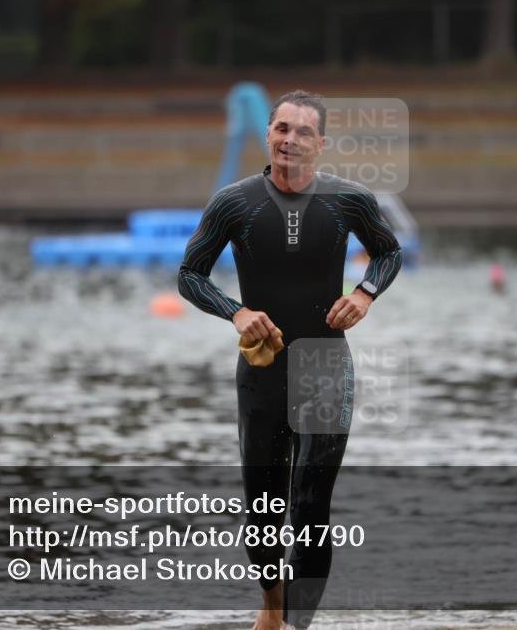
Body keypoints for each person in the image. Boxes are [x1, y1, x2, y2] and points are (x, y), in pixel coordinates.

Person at [178, 90, 402, 629]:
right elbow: (189, 275)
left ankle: (298, 626)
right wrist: (235, 313)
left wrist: (365, 293)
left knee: (311, 506)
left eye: (303, 132)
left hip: (326, 368)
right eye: (281, 128)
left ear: (320, 145)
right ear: (269, 135)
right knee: (263, 509)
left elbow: (389, 252)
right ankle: (273, 608)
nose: (290, 139)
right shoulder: (235, 203)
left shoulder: (349, 200)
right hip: (262, 372)